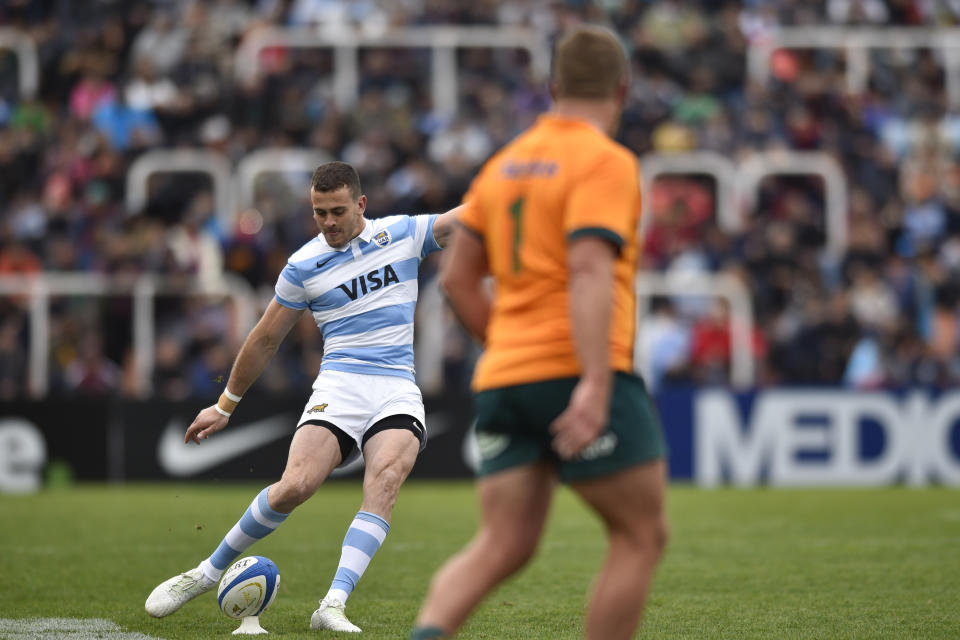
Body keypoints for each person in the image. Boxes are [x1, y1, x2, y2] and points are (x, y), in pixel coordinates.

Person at [410, 26, 668, 640]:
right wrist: (596, 383)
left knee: (502, 544)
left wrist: (505, 347)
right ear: (622, 91)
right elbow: (587, 267)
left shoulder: (501, 167)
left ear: (553, 88)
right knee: (639, 535)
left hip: (503, 378)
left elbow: (456, 281)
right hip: (575, 370)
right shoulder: (607, 161)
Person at [145, 161, 459, 633]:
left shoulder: (402, 234)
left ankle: (332, 604)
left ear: (360, 204)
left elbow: (467, 218)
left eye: (336, 211)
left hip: (396, 386)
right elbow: (265, 338)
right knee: (296, 486)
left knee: (387, 476)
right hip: (339, 385)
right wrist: (224, 405)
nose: (328, 222)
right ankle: (204, 573)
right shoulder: (303, 266)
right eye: (319, 213)